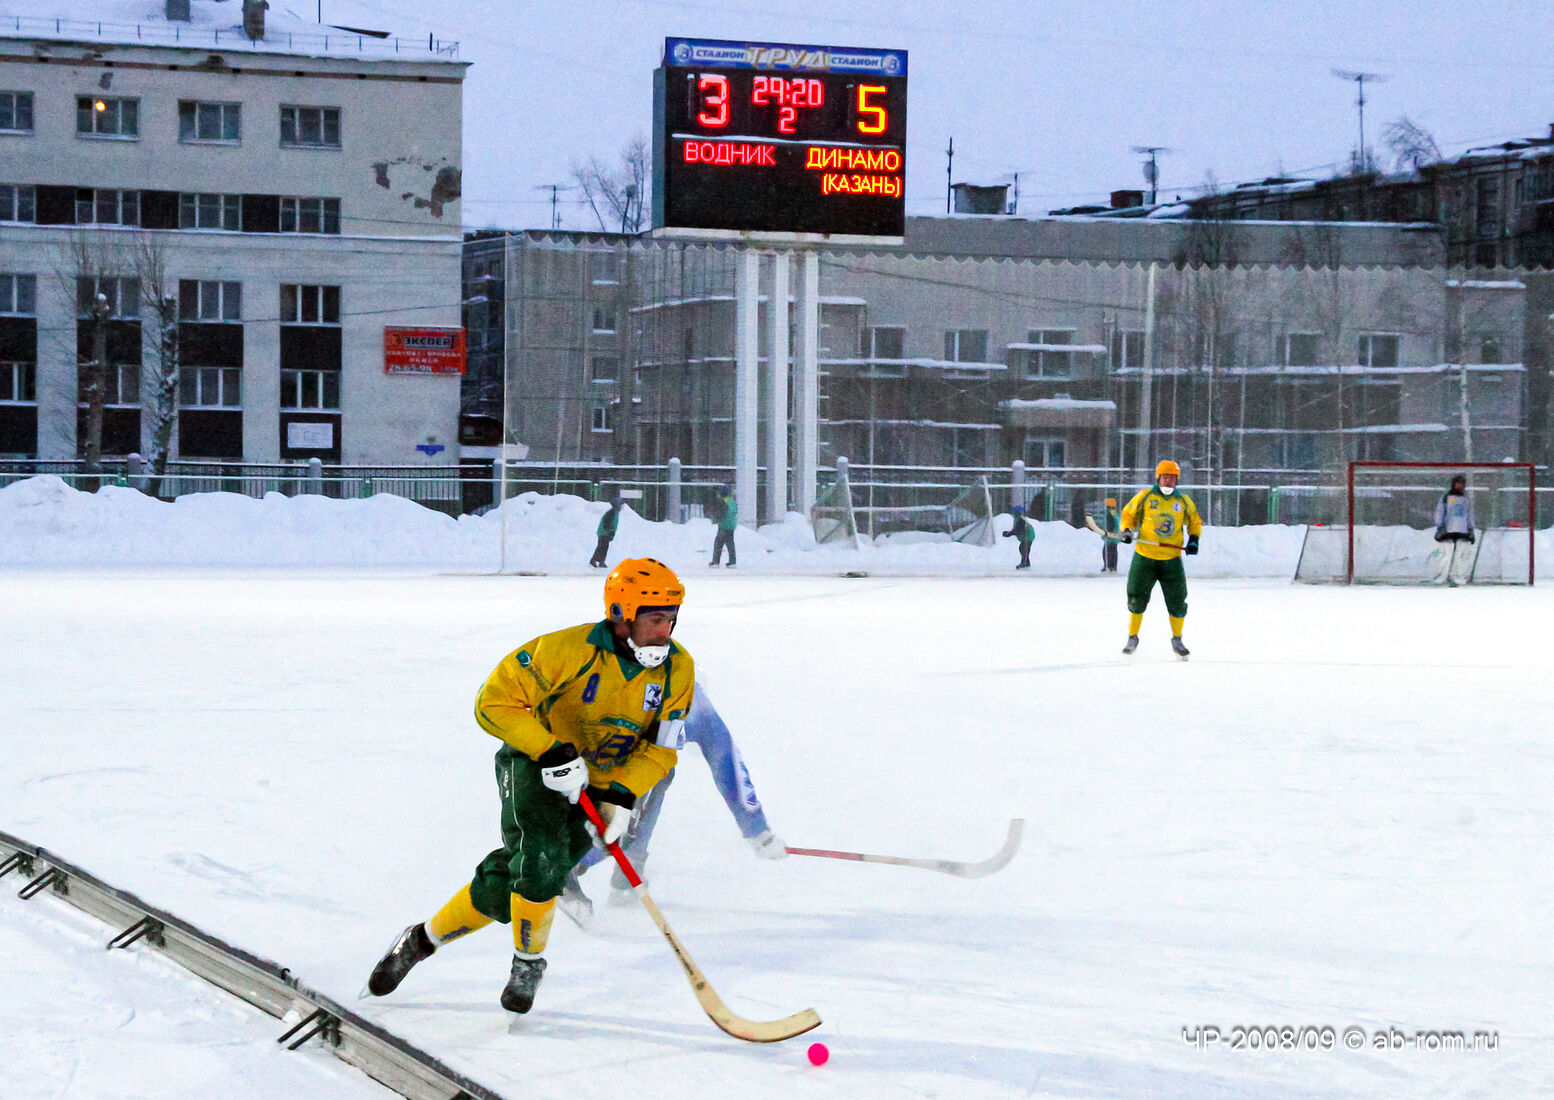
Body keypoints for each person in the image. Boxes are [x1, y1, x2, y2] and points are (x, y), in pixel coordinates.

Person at [364, 558, 695, 1015]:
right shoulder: (566, 651)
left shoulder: (677, 670)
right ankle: (529, 964)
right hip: (533, 765)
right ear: (621, 614)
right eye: (654, 619)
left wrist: (620, 794)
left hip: (597, 786)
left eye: (671, 618)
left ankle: (420, 940)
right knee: (540, 860)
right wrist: (550, 750)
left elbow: (662, 749)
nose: (665, 630)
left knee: (520, 880)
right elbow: (493, 702)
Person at [559, 680, 785, 926]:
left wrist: (757, 829)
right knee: (642, 782)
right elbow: (727, 763)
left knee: (657, 775)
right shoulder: (691, 703)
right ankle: (567, 865)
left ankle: (626, 868)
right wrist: (757, 830)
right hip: (593, 748)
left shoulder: (693, 703)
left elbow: (726, 762)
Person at [1119, 460, 1202, 658]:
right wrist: (1127, 531)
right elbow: (1128, 514)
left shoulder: (1183, 501)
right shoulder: (1145, 496)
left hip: (1171, 560)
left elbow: (1195, 521)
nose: (1168, 481)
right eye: (1165, 477)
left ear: (1177, 480)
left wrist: (1194, 539)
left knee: (1177, 599)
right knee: (1137, 597)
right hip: (1145, 557)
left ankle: (1177, 639)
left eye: (1172, 478)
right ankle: (1132, 637)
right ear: (1158, 478)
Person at [1432, 474, 1477, 585]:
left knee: (1460, 558)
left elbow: (1469, 515)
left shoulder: (1466, 499)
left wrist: (1471, 529)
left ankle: (1457, 578)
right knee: (1445, 556)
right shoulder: (1446, 498)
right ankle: (1440, 578)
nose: (1460, 486)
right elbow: (1439, 512)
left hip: (1462, 532)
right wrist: (1440, 526)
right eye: (1458, 483)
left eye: (1462, 484)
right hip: (1447, 531)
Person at [589, 496, 624, 568]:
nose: (621, 507)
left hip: (606, 532)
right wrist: (609, 531)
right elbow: (607, 523)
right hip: (604, 532)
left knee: (605, 547)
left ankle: (601, 561)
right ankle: (593, 560)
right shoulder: (611, 512)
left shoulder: (615, 512)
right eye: (620, 505)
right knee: (601, 547)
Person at [711, 484, 738, 567]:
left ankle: (715, 562)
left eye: (718, 493)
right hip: (732, 525)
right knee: (730, 544)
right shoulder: (732, 501)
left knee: (718, 543)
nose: (717, 494)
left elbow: (721, 513)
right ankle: (732, 562)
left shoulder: (723, 501)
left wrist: (715, 519)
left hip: (724, 525)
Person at [1002, 504, 1034, 569]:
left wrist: (1009, 534)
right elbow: (1017, 529)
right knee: (1024, 549)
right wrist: (1009, 533)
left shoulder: (1021, 520)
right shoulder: (1019, 519)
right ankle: (1026, 562)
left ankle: (1024, 563)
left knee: (1023, 548)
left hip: (1027, 536)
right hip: (1027, 535)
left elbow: (1018, 530)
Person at [1101, 497, 1121, 573]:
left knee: (1107, 552)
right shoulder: (1115, 513)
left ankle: (1108, 566)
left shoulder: (1109, 514)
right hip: (1115, 536)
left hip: (1110, 537)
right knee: (1113, 551)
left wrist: (1108, 533)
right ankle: (1113, 566)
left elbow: (1110, 525)